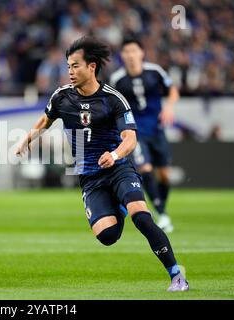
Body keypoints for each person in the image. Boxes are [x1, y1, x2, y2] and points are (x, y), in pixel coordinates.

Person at [16, 36, 188, 291]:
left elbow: (130, 138)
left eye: (76, 66)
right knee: (107, 236)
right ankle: (119, 205)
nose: (71, 72)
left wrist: (116, 155)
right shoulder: (62, 97)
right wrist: (26, 139)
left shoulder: (113, 99)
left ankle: (176, 275)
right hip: (89, 176)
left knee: (141, 216)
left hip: (118, 167)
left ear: (92, 66)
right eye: (68, 67)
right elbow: (46, 120)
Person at [109, 38, 180, 233]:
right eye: (126, 52)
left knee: (164, 175)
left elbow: (172, 90)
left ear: (141, 53)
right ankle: (162, 214)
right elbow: (112, 105)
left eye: (134, 51)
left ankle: (161, 209)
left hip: (157, 130)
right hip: (135, 133)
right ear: (122, 56)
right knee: (145, 169)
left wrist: (169, 107)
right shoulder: (117, 79)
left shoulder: (155, 71)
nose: (130, 55)